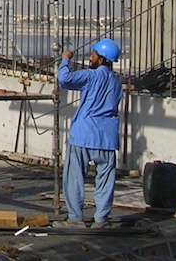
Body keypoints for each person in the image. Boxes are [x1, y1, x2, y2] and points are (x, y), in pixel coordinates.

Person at [57, 38, 124, 228]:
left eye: (93, 55)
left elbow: (64, 79)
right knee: (105, 180)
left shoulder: (91, 76)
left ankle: (75, 218)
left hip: (84, 134)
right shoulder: (117, 83)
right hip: (106, 137)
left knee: (75, 176)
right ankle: (101, 219)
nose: (90, 58)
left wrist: (65, 60)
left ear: (101, 60)